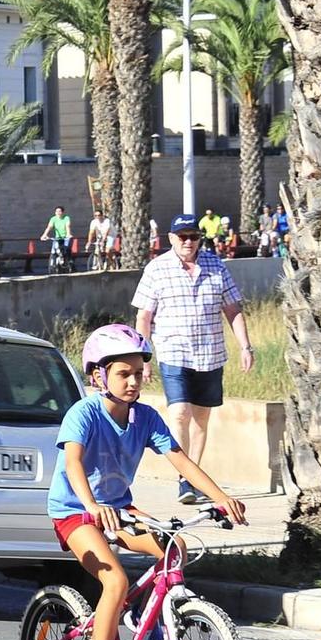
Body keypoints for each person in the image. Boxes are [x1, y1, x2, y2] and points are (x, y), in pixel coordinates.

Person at [51, 324, 247, 640]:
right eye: (123, 373)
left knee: (176, 548)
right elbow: (73, 462)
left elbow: (180, 460)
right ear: (98, 376)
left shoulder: (145, 417)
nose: (133, 381)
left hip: (120, 508)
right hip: (76, 512)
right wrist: (91, 504)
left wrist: (221, 497)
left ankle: (148, 617)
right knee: (116, 580)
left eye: (139, 373)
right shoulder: (83, 413)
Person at [132, 212, 254, 506]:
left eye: (193, 237)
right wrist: (144, 358)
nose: (188, 242)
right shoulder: (157, 269)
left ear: (200, 239)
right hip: (174, 352)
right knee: (179, 414)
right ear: (171, 239)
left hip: (210, 354)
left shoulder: (215, 265)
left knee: (201, 418)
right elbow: (144, 316)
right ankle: (183, 477)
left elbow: (233, 309)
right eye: (182, 237)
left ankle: (193, 477)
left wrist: (246, 346)